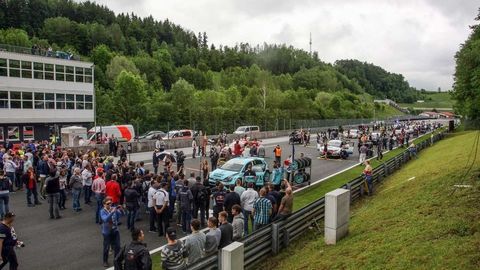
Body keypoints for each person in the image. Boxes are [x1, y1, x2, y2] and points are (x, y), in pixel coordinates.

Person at [100, 197, 124, 267]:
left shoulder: (113, 208)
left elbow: (121, 215)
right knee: (106, 247)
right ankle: (105, 261)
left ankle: (117, 260)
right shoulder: (102, 211)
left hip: (115, 230)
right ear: (104, 205)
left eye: (111, 203)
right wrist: (112, 212)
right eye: (108, 204)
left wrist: (121, 210)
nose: (110, 205)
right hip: (107, 232)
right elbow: (105, 219)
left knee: (118, 247)